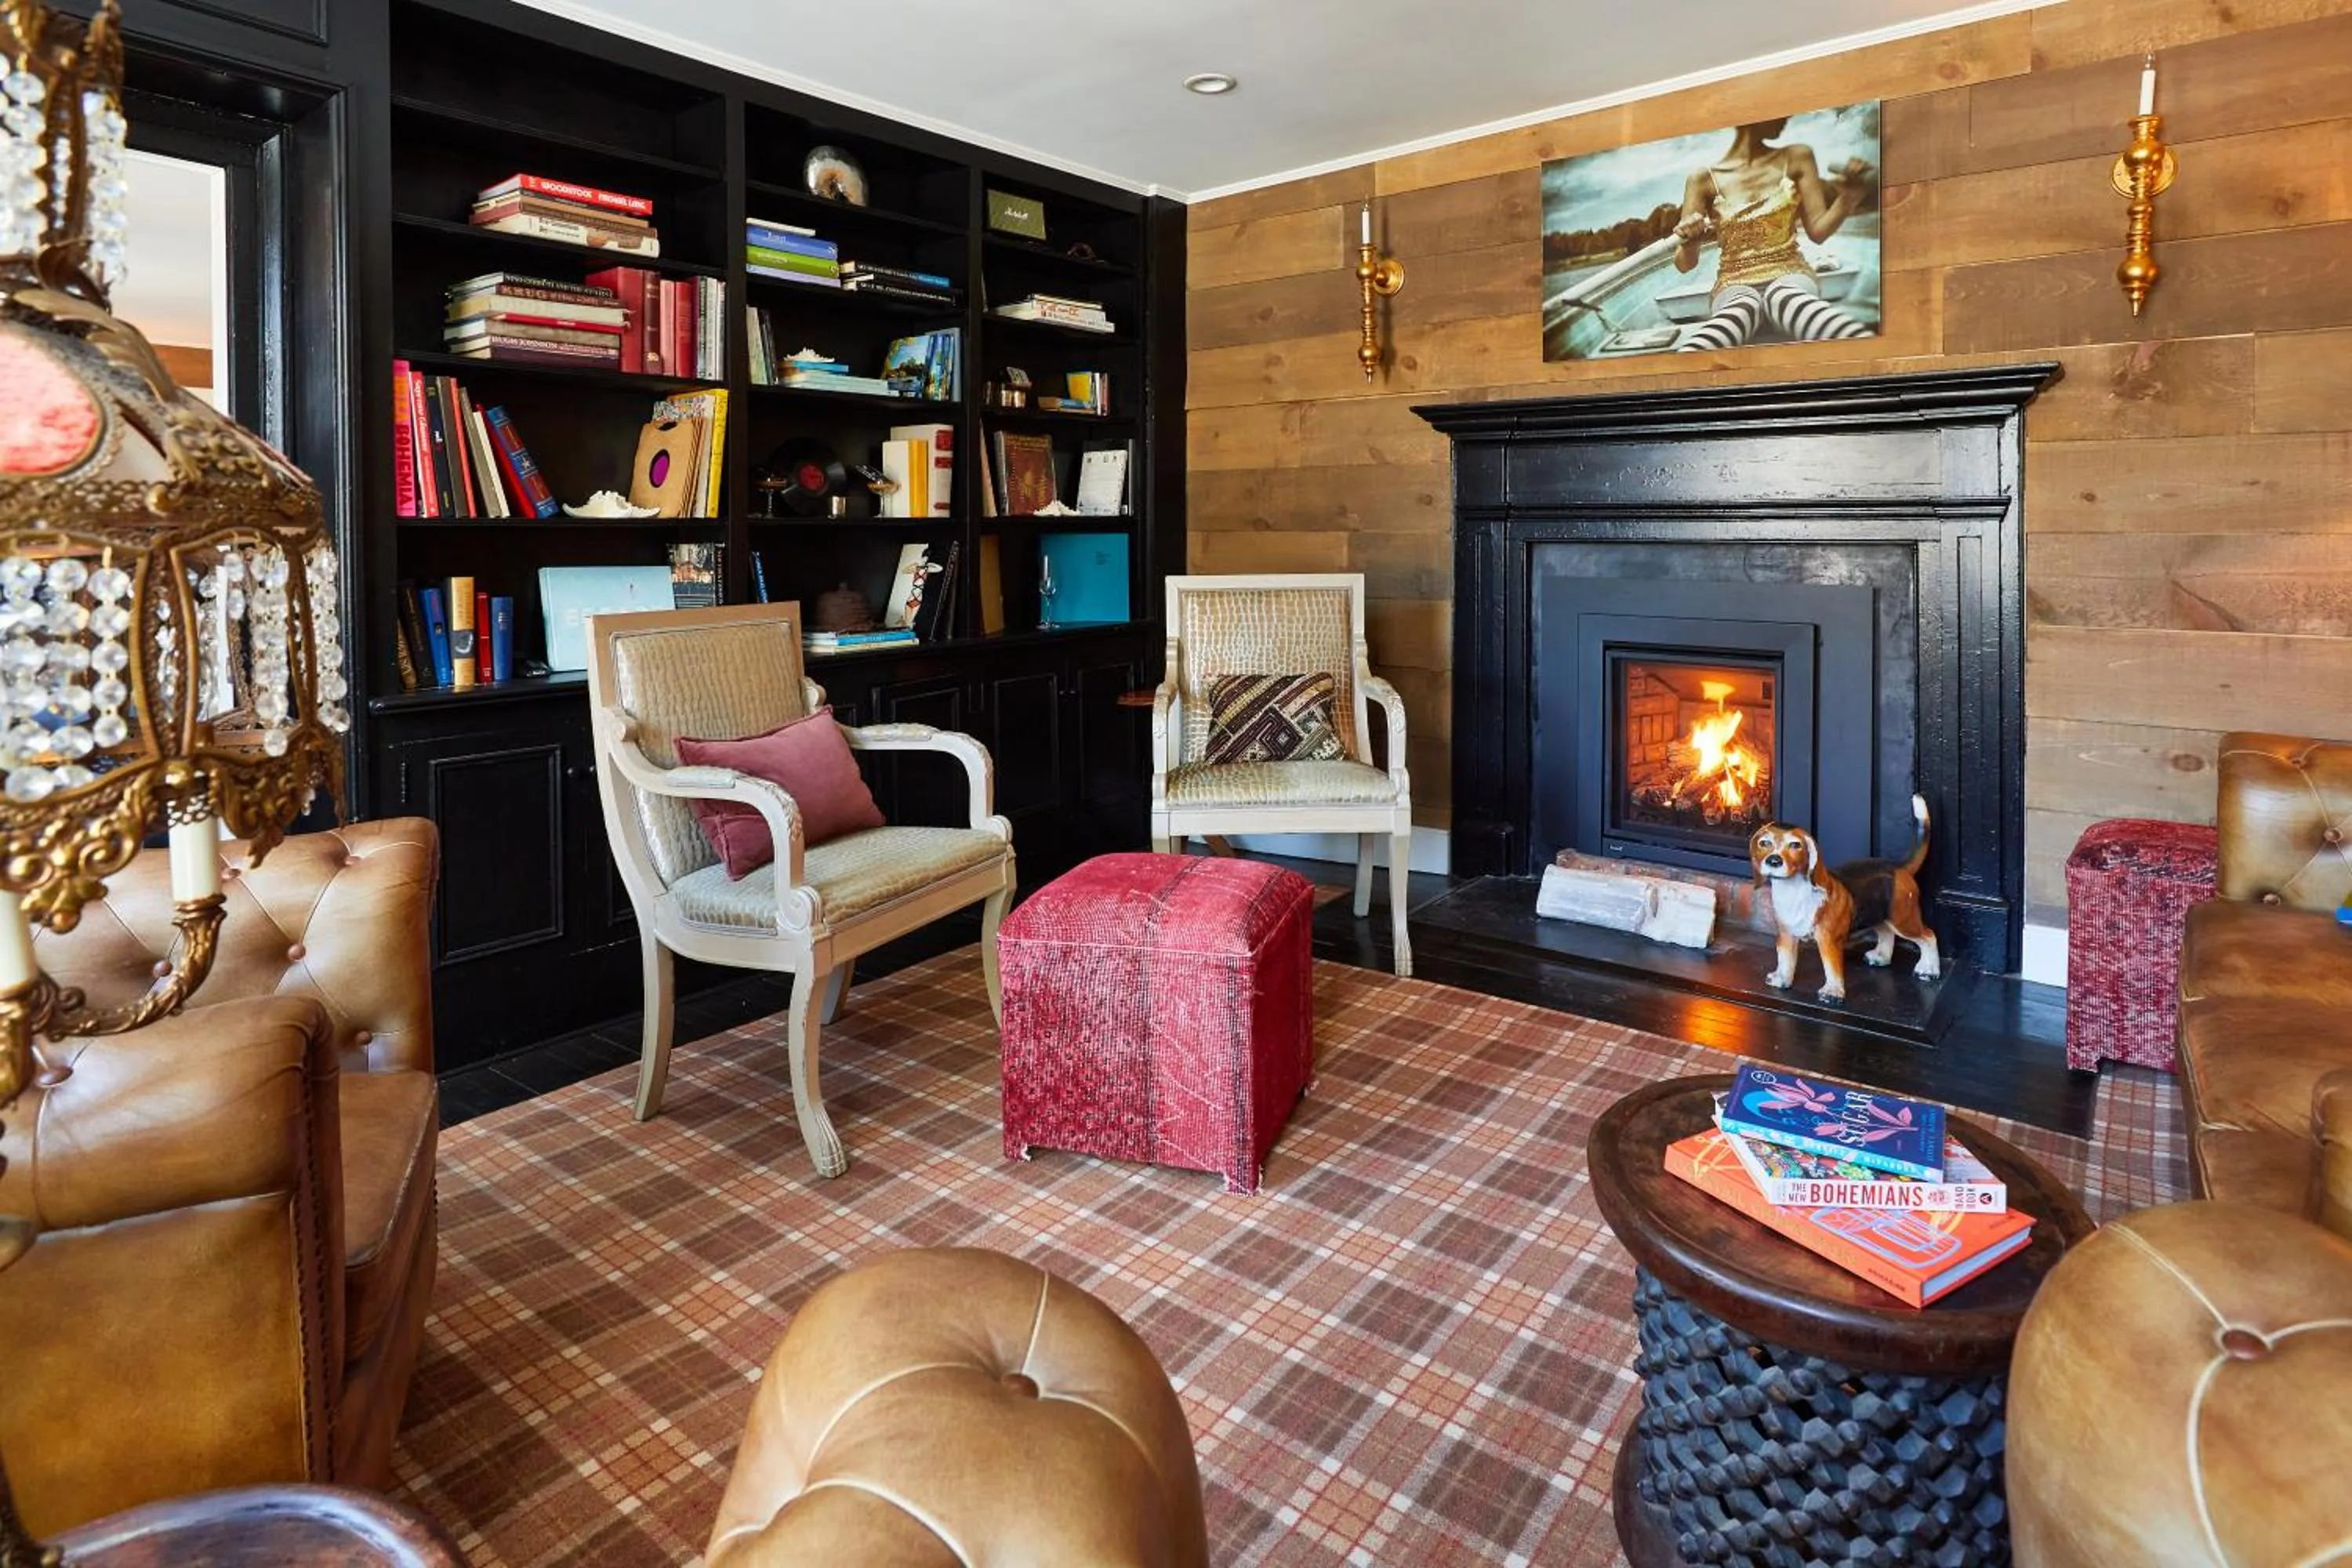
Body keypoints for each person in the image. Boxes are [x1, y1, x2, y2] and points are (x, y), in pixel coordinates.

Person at [1671, 118, 1874, 352]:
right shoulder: (1702, 179)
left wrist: (1849, 198)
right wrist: (1690, 243)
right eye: (1779, 115)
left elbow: (1818, 231)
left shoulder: (1798, 157)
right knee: (1741, 308)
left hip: (1790, 273)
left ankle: (1869, 356)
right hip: (1733, 283)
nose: (1786, 118)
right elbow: (1684, 264)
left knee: (1784, 296)